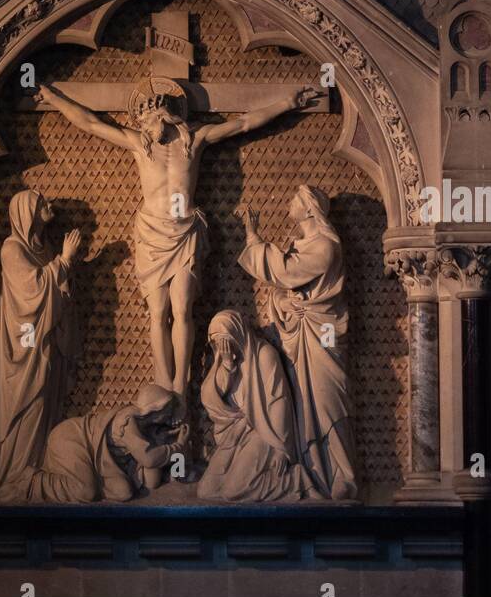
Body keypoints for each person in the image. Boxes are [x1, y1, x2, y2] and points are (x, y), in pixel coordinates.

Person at [36, 77, 320, 399]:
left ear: (167, 115)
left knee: (183, 308)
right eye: (143, 118)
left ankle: (181, 386)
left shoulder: (194, 140)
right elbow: (89, 123)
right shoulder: (138, 143)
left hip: (185, 231)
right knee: (158, 312)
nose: (147, 124)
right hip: (152, 233)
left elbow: (243, 124)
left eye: (151, 117)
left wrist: (287, 103)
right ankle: (163, 383)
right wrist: (53, 97)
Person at [237, 185, 358, 500]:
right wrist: (282, 303)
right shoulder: (304, 246)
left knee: (328, 401)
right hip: (299, 337)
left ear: (309, 209)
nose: (288, 203)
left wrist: (254, 237)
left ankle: (345, 475)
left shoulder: (325, 247)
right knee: (305, 404)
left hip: (323, 337)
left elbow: (287, 273)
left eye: (295, 199)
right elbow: (288, 291)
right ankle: (316, 473)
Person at [0, 190, 82, 504]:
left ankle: (35, 472)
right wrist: (64, 261)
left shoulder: (44, 248)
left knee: (46, 407)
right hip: (23, 350)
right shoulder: (12, 249)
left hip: (45, 345)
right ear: (27, 212)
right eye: (41, 202)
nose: (48, 205)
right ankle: (13, 478)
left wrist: (62, 276)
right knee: (28, 406)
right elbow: (32, 292)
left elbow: (55, 295)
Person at [199, 310, 307, 502]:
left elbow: (279, 403)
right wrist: (227, 366)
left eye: (225, 340)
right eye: (217, 343)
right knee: (207, 491)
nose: (223, 347)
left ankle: (296, 480)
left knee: (234, 490)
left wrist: (281, 448)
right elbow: (210, 397)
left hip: (263, 432)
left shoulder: (265, 355)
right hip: (235, 433)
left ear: (237, 333)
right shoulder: (224, 361)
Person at [18, 384, 187, 503]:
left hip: (99, 460)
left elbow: (152, 482)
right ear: (156, 410)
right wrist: (178, 447)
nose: (169, 416)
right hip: (72, 438)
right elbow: (148, 459)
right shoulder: (129, 421)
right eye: (169, 410)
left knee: (124, 492)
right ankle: (33, 482)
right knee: (86, 491)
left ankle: (91, 478)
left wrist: (160, 442)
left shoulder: (147, 427)